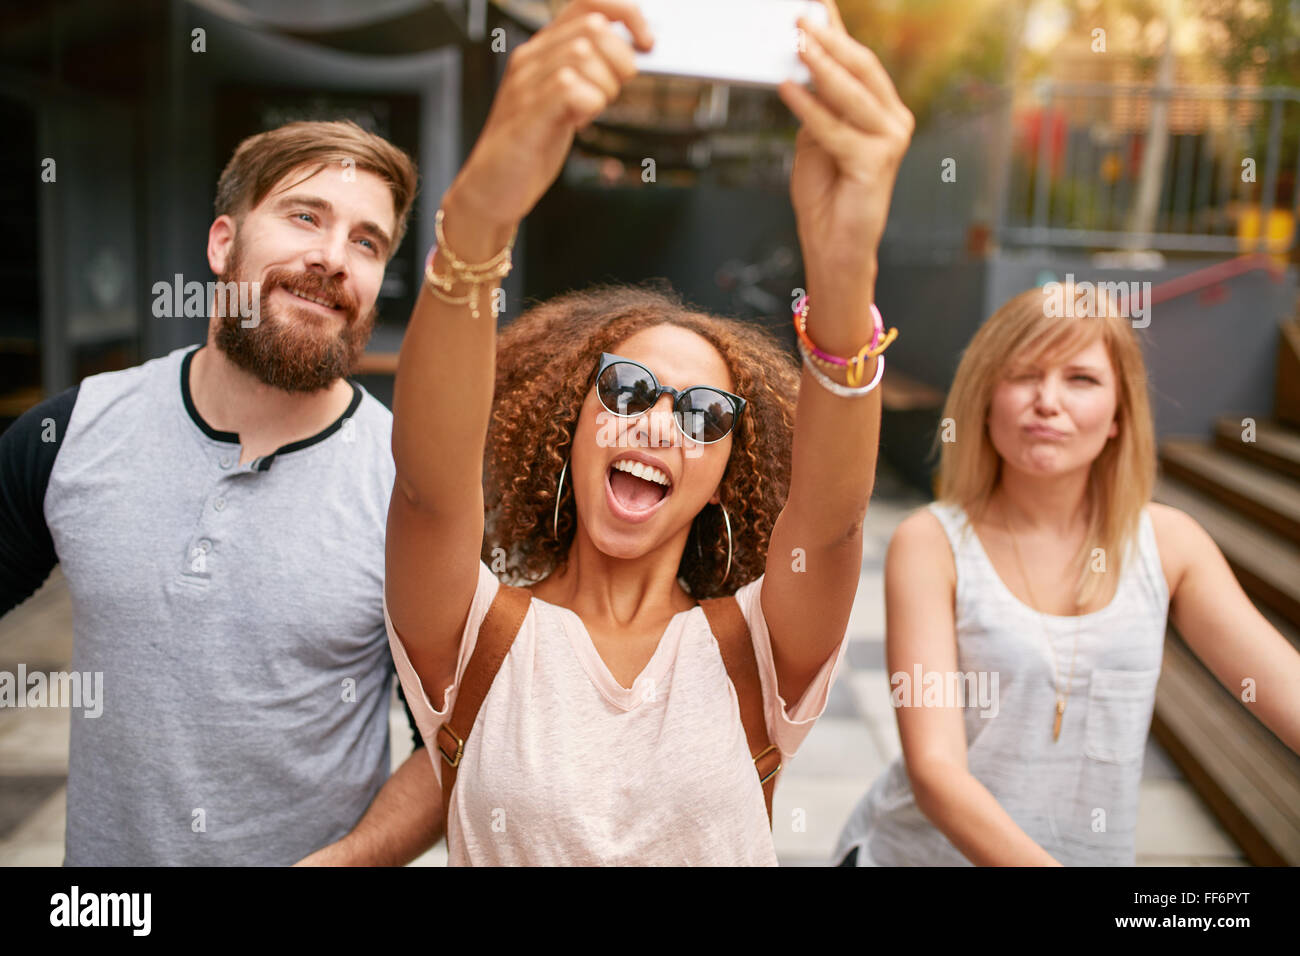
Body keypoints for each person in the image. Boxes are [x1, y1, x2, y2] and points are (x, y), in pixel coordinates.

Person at [383, 0, 913, 865]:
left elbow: (833, 522)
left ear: (727, 474)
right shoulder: (475, 634)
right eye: (629, 389)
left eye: (705, 414)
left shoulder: (758, 654)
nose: (663, 421)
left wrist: (846, 267)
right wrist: (479, 215)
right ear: (575, 423)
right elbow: (428, 489)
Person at [0, 120, 443, 865]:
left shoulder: (412, 490)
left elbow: (452, 746)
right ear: (221, 244)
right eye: (305, 215)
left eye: (367, 242)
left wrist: (346, 862)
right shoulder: (70, 433)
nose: (332, 258)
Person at [832, 286, 1300, 866]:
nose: (1047, 401)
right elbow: (935, 771)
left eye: (1081, 379)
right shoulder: (931, 543)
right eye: (1025, 375)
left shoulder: (1169, 544)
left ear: (1117, 416)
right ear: (985, 399)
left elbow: (1286, 691)